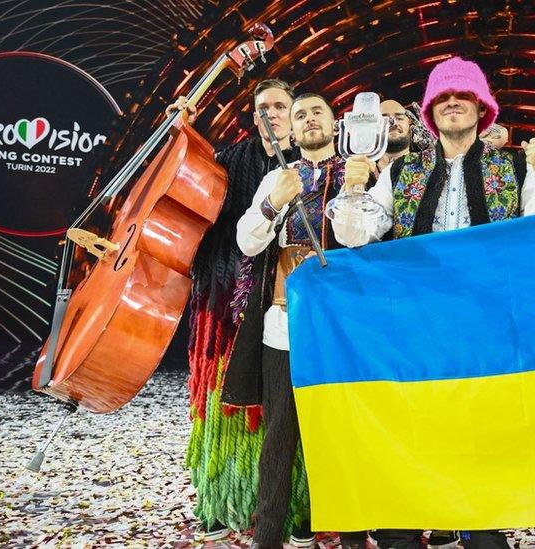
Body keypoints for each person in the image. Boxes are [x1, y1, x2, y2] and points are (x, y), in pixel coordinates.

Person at [332, 56, 535, 549]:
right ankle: (401, 533)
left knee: (479, 440)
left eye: (462, 95)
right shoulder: (400, 172)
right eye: (442, 97)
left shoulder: (513, 165)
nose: (451, 103)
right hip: (415, 330)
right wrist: (353, 186)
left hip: (486, 331)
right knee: (412, 433)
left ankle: (481, 534)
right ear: (430, 110)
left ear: (482, 106)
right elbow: (354, 234)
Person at [228, 92, 368, 549]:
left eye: (317, 113)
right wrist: (274, 204)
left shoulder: (359, 171)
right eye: (299, 113)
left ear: (335, 123)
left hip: (341, 327)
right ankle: (267, 538)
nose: (308, 120)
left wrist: (351, 190)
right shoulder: (277, 176)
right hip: (283, 320)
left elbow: (357, 236)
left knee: (342, 436)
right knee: (279, 437)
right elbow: (247, 243)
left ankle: (351, 537)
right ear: (290, 125)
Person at [185, 78, 301, 541]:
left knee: (285, 409)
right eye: (262, 108)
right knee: (222, 404)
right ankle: (219, 499)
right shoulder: (226, 162)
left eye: (280, 106)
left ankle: (292, 506)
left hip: (284, 304)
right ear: (253, 117)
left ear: (294, 115)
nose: (271, 114)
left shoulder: (317, 160)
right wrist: (182, 133)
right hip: (224, 294)